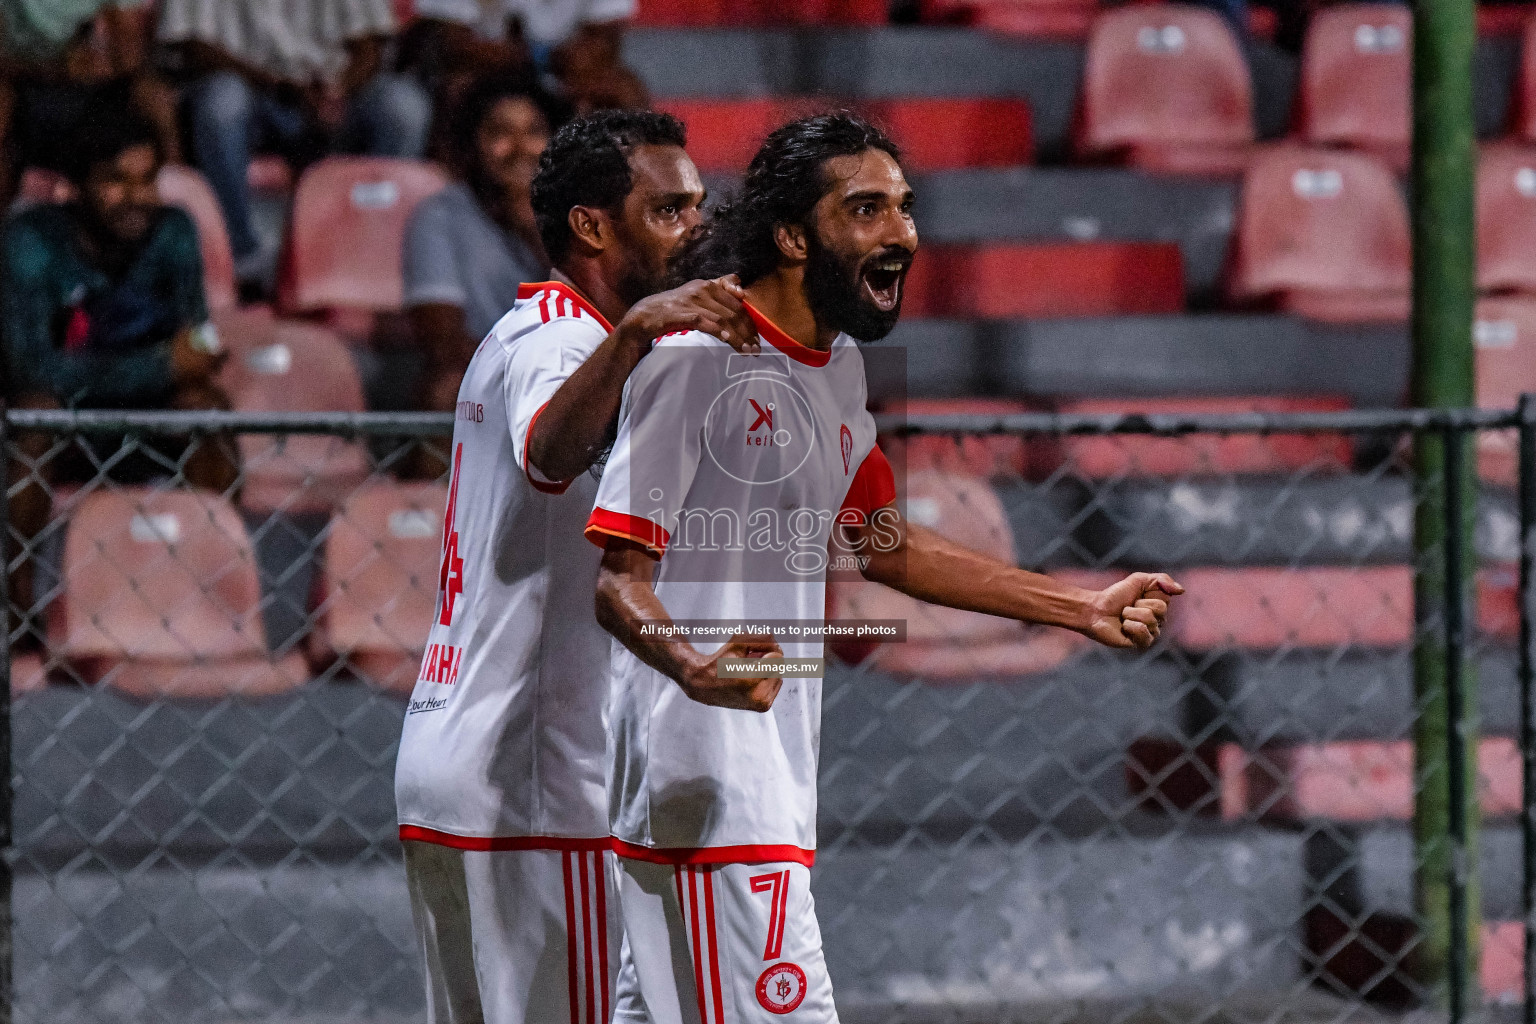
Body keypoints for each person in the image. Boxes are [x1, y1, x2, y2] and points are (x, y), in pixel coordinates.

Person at [585, 112, 1186, 1024]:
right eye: (865, 209)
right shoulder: (693, 363)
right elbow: (617, 582)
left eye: (903, 207)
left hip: (759, 778)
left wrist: (1076, 607)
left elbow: (882, 542)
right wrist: (695, 664)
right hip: (708, 776)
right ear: (792, 236)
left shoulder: (838, 368)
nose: (901, 230)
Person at [393, 108, 765, 1024]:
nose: (697, 229)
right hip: (534, 777)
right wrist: (636, 332)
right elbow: (551, 453)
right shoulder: (561, 340)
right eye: (669, 210)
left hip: (462, 761)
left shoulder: (526, 333)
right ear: (592, 226)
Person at [1, 110, 232, 635]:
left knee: (208, 407)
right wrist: (158, 364)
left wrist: (177, 363)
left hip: (146, 416)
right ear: (77, 186)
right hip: (69, 424)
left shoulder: (173, 231)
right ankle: (14, 607)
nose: (137, 197)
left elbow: (196, 344)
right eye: (115, 181)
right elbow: (28, 371)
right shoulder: (29, 242)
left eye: (147, 180)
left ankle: (214, 590)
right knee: (33, 417)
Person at [156, 0, 433, 286]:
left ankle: (373, 251)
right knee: (222, 104)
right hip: (251, 91)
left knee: (404, 108)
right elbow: (191, 46)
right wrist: (276, 85)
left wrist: (337, 92)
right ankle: (240, 259)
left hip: (331, 90)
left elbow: (369, 43)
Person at [403, 71, 570, 412]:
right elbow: (442, 339)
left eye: (534, 132)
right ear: (473, 144)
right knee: (445, 387)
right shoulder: (440, 215)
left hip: (572, 364)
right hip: (483, 374)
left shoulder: (576, 214)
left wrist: (531, 228)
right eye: (500, 133)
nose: (520, 148)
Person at [0, 0, 180, 208]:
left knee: (154, 94)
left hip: (100, 87)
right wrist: (59, 69)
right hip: (26, 85)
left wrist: (103, 64)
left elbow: (130, 55)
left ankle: (172, 202)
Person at [406, 0, 646, 115]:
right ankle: (461, 198)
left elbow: (602, 43)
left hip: (563, 70)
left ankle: (625, 195)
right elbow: (453, 43)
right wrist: (524, 57)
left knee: (623, 92)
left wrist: (544, 59)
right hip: (485, 70)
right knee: (456, 91)